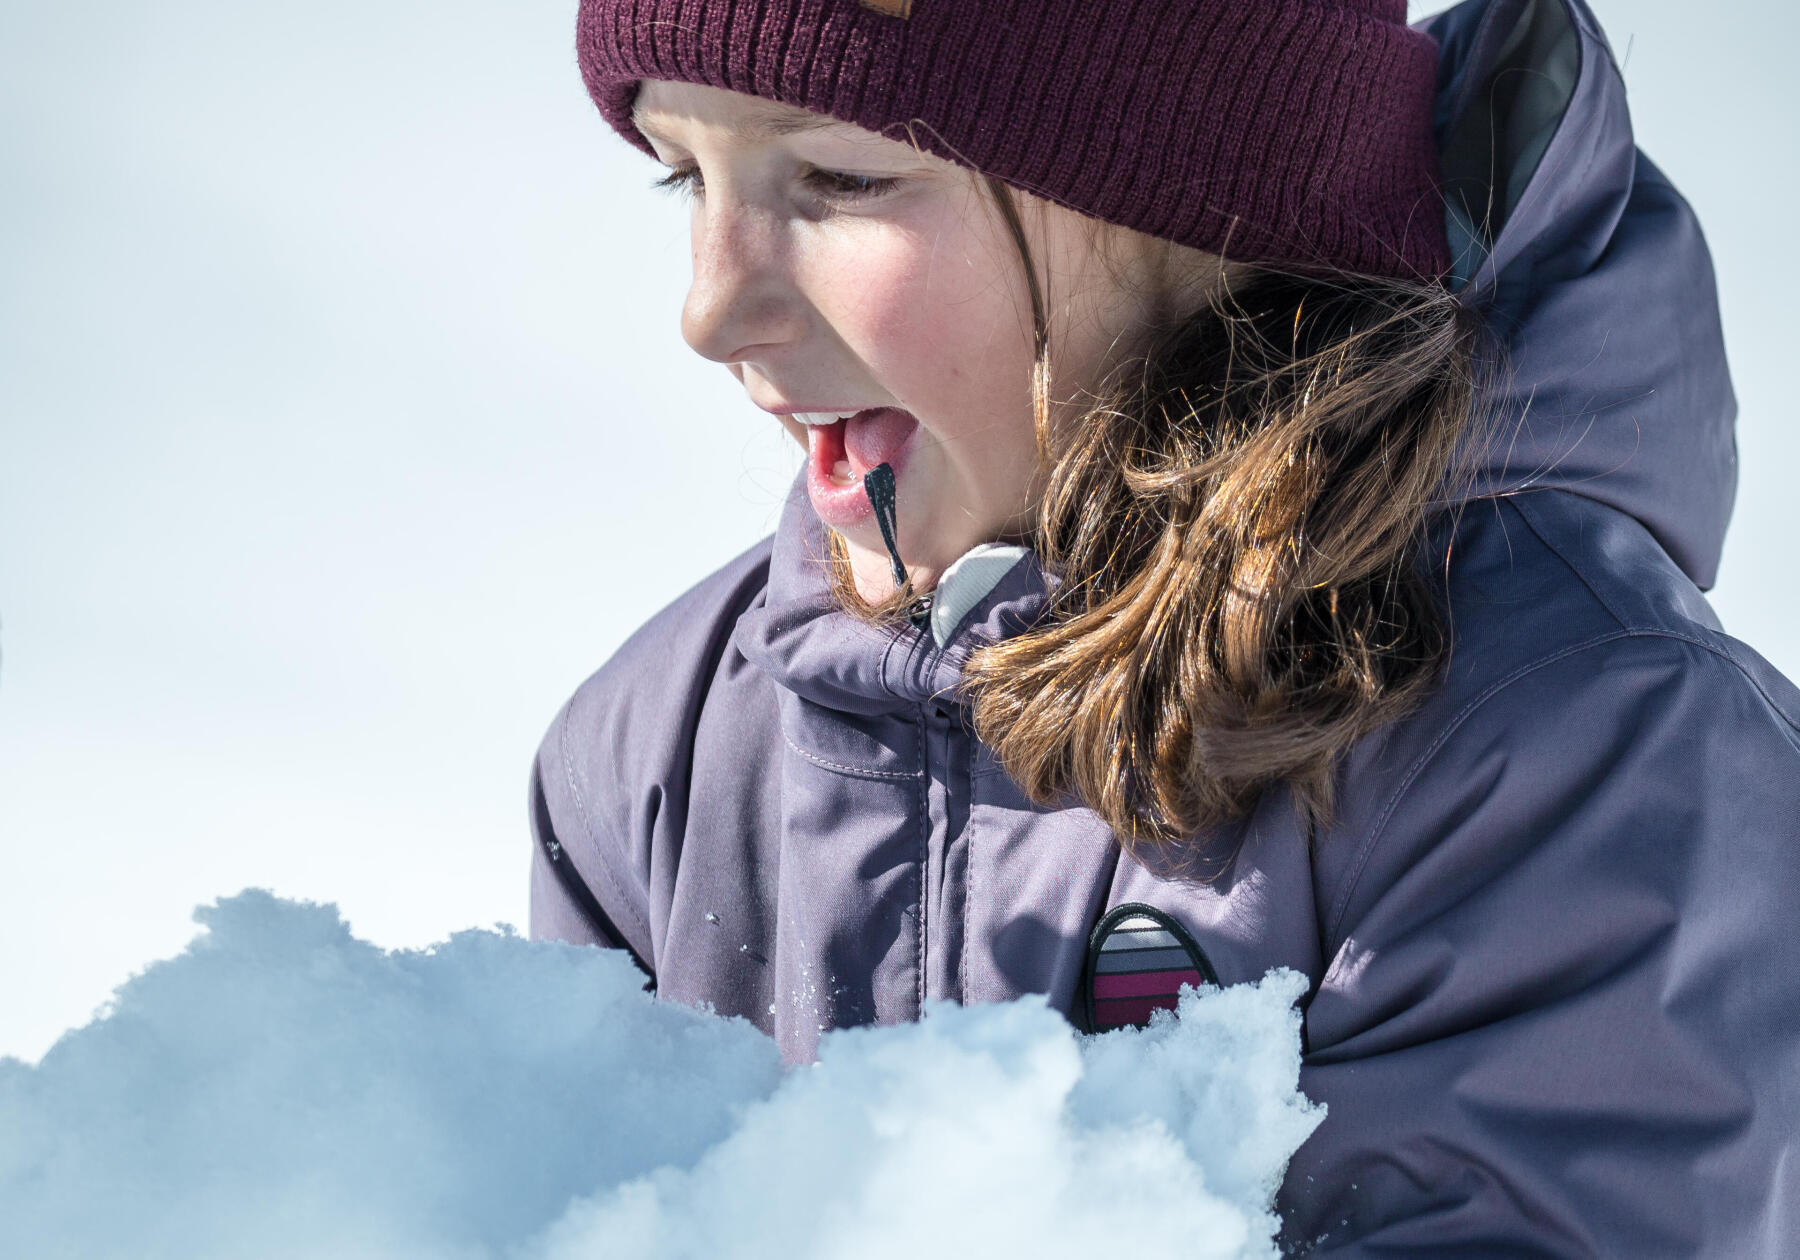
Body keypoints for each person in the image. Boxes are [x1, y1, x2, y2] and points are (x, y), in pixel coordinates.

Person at [529, 0, 1800, 1251]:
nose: (710, 310)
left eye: (840, 176)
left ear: (1194, 196)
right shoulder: (665, 750)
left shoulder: (1566, 742)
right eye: (683, 178)